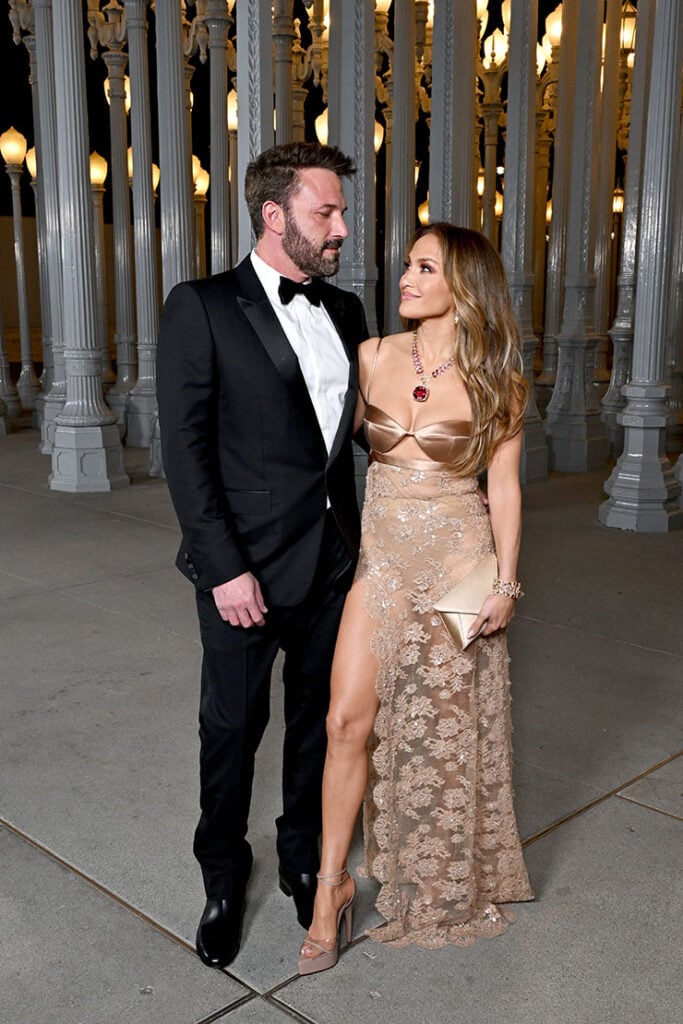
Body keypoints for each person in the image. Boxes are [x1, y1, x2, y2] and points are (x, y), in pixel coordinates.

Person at [297, 223, 534, 975]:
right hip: (382, 564)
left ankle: (439, 874)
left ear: (461, 284)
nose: (404, 277)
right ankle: (331, 885)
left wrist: (503, 582)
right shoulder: (371, 356)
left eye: (423, 267)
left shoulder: (500, 375)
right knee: (344, 722)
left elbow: (502, 485)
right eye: (406, 264)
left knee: (441, 734)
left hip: (458, 567)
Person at [157, 142, 369, 969]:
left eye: (341, 212)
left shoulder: (346, 312)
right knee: (231, 731)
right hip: (242, 572)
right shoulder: (201, 306)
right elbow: (187, 451)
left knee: (318, 728)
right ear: (274, 215)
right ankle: (220, 877)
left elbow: (357, 436)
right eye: (327, 212)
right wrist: (223, 569)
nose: (342, 228)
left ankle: (302, 858)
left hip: (333, 567)